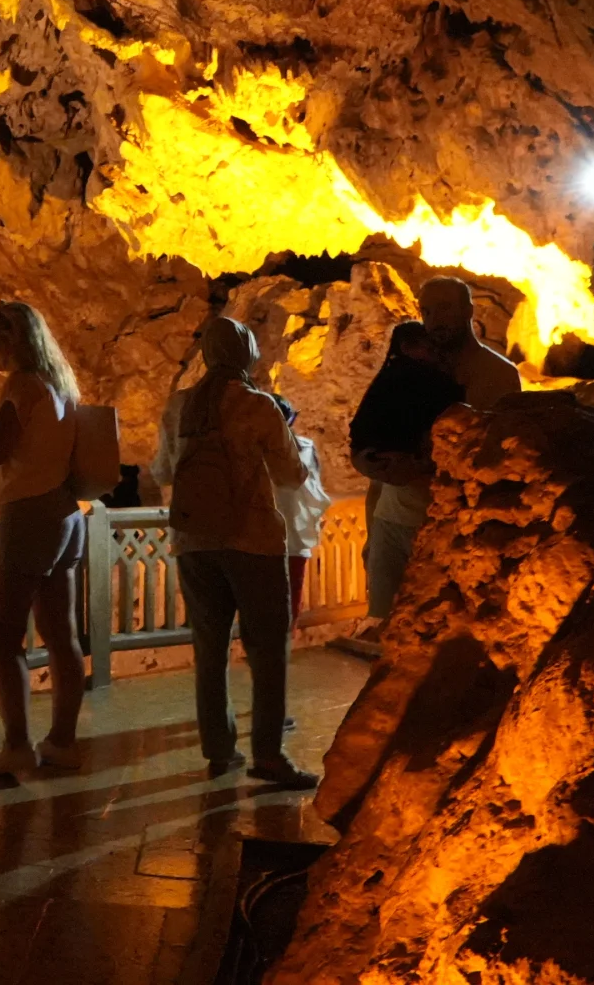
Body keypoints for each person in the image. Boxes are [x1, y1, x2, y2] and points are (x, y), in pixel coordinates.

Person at [152, 316, 317, 788]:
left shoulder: (180, 406)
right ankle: (268, 755)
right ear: (246, 354)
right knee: (268, 653)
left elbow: (163, 472)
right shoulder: (256, 404)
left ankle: (219, 749)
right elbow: (291, 476)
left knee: (210, 651)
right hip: (253, 542)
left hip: (193, 543)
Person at [352, 279, 519, 628]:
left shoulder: (499, 375)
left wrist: (421, 469)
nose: (433, 319)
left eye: (443, 308)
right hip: (391, 521)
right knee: (385, 632)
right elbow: (384, 433)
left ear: (469, 310)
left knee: (440, 631)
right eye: (426, 311)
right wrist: (372, 526)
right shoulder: (410, 368)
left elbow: (495, 461)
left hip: (448, 530)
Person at [0, 300, 88, 778]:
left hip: (27, 515)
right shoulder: (62, 384)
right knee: (62, 636)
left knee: (3, 636)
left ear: (12, 340)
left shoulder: (21, 384)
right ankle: (62, 740)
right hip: (65, 514)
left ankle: (17, 744)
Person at [272, 396, 331, 624]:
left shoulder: (304, 447)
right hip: (282, 532)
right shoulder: (302, 448)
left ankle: (282, 644)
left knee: (288, 595)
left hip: (290, 532)